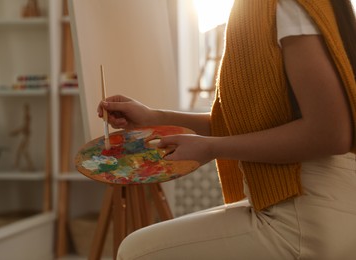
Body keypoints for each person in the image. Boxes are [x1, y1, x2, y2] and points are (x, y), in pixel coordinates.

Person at [98, 0, 356, 259]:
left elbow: (330, 133)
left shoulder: (284, 6)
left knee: (136, 252)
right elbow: (242, 125)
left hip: (309, 216)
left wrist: (212, 147)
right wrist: (154, 118)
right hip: (312, 203)